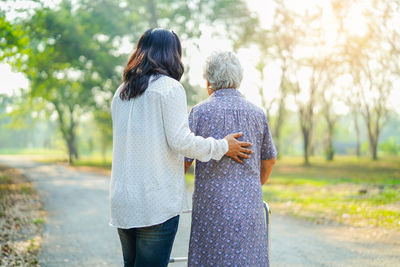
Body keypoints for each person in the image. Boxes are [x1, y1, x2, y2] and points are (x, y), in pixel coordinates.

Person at [109, 29, 253, 267]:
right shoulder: (169, 88)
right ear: (172, 54)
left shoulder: (122, 91)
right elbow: (182, 142)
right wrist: (222, 146)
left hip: (123, 200)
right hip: (154, 202)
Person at [185, 51, 277, 266]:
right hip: (249, 206)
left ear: (209, 81)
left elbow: (184, 161)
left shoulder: (199, 113)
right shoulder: (257, 114)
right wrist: (251, 186)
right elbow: (270, 159)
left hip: (210, 208)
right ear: (239, 78)